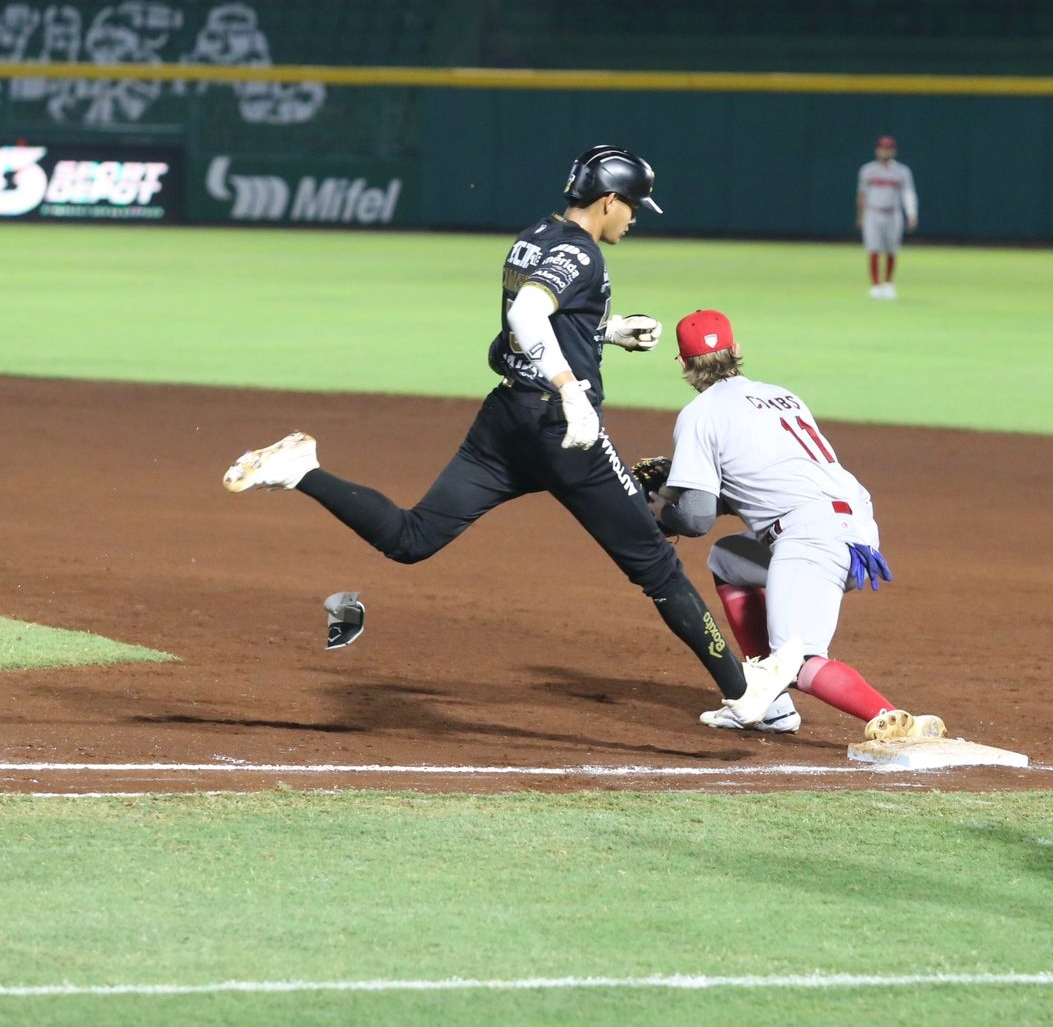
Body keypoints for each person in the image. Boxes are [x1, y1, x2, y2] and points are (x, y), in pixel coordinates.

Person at [221, 146, 799, 728]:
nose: (635, 217)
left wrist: (608, 331)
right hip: (561, 433)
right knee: (657, 563)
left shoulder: (535, 237)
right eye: (633, 206)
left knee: (412, 537)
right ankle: (745, 694)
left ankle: (302, 470)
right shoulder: (582, 253)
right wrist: (573, 391)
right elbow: (528, 316)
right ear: (608, 201)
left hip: (506, 422)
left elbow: (513, 340)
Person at [646, 308, 943, 739]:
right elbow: (761, 487)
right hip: (855, 526)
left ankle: (899, 723)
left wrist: (661, 513)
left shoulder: (700, 413)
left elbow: (694, 519)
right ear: (737, 350)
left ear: (683, 363)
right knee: (728, 559)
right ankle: (767, 701)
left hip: (810, 538)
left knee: (801, 660)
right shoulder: (782, 395)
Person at [855, 135, 917, 300]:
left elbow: (908, 193)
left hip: (893, 213)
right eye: (883, 148)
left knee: (892, 249)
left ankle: (888, 284)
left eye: (889, 148)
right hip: (873, 212)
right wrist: (860, 216)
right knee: (873, 248)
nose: (885, 151)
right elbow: (862, 194)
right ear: (877, 150)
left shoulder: (902, 171)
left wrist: (911, 214)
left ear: (894, 151)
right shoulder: (867, 170)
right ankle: (875, 286)